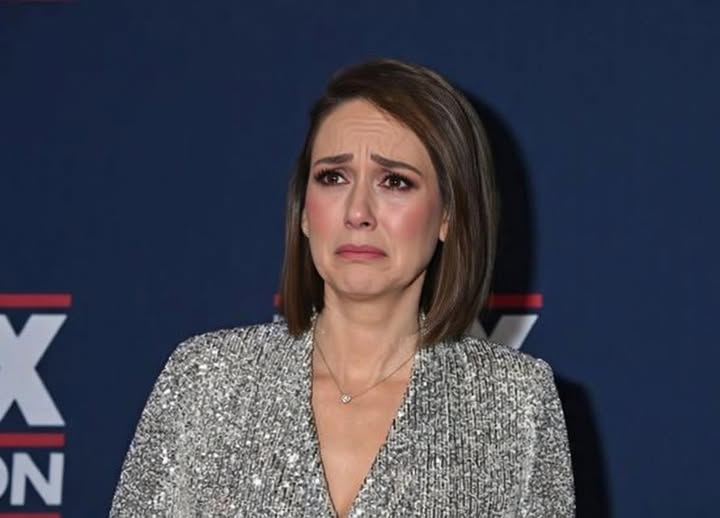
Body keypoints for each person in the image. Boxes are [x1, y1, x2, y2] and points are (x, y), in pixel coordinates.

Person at [110, 59, 574, 517]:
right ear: (304, 212)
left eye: (395, 181)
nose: (357, 212)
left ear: (448, 216)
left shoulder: (515, 402)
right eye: (333, 178)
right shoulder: (206, 380)